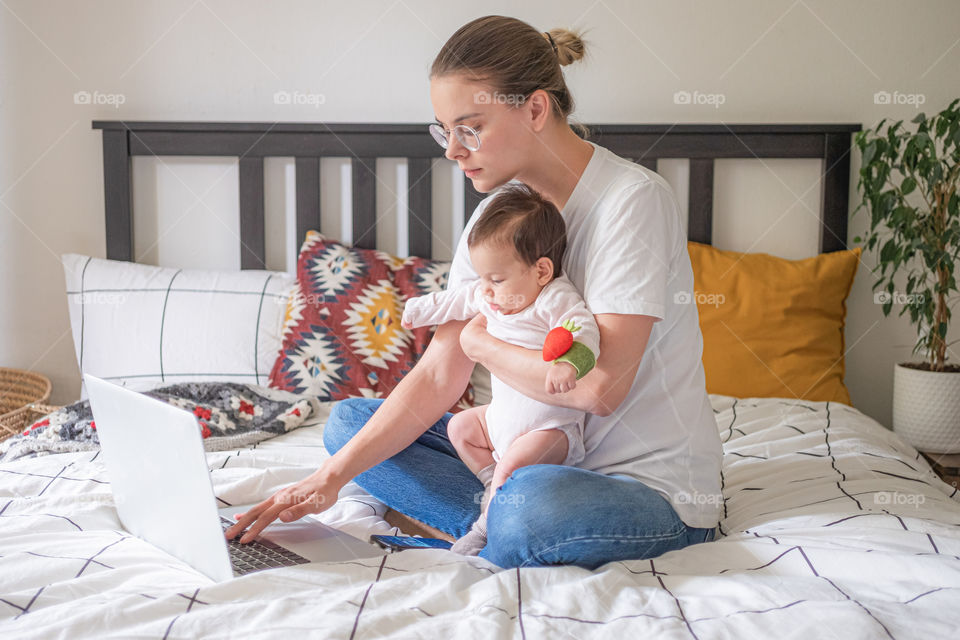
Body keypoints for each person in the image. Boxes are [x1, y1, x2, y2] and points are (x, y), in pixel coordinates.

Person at [226, 15, 723, 570]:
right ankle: (491, 521)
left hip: (638, 489)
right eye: (444, 130)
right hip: (523, 463)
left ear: (535, 109)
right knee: (347, 427)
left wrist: (484, 348)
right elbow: (441, 373)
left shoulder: (632, 201)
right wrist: (325, 482)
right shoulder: (497, 214)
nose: (453, 151)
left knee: (530, 507)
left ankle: (480, 526)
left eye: (470, 127)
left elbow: (598, 391)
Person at [401, 182, 600, 555]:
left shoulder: (554, 298)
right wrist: (418, 310)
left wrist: (570, 364)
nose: (486, 291)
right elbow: (456, 301)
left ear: (541, 270)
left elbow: (583, 329)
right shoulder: (487, 294)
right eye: (482, 278)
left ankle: (483, 528)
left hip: (549, 431)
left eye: (496, 279)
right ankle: (490, 478)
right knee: (460, 426)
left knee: (512, 467)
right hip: (497, 423)